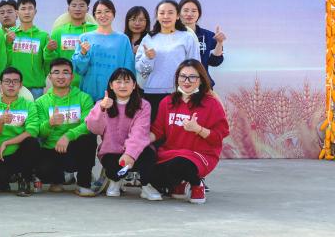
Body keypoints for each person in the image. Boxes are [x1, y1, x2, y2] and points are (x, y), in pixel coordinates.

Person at [150, 60, 230, 204]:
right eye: (183, 76)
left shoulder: (211, 104)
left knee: (180, 164)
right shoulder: (167, 102)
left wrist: (198, 129)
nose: (187, 81)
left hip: (199, 155)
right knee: (152, 175)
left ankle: (196, 184)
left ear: (201, 80)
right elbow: (157, 130)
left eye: (192, 77)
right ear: (177, 79)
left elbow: (218, 137)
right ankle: (180, 183)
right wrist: (139, 141)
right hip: (170, 153)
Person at [85, 68, 161, 200]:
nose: (122, 86)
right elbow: (94, 128)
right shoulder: (102, 103)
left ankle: (146, 185)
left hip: (136, 151)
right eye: (118, 82)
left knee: (149, 156)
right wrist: (101, 109)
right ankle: (115, 180)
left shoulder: (143, 105)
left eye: (127, 82)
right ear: (111, 85)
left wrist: (130, 154)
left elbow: (139, 133)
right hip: (112, 150)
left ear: (134, 85)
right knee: (112, 166)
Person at [34, 58, 97, 197]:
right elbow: (39, 133)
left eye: (65, 72)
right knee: (43, 170)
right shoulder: (40, 102)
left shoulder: (84, 98)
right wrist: (50, 123)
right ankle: (57, 181)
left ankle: (83, 184)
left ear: (72, 76)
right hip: (52, 148)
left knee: (89, 139)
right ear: (50, 76)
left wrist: (68, 136)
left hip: (74, 148)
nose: (61, 76)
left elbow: (88, 124)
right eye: (56, 72)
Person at [136, 0, 199, 121]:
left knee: (178, 130)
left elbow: (195, 66)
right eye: (162, 13)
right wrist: (148, 58)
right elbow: (142, 70)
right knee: (154, 130)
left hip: (180, 92)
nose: (166, 16)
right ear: (157, 16)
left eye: (170, 13)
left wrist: (193, 91)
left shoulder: (187, 37)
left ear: (177, 16)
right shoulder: (149, 38)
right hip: (152, 92)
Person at [0, 67, 40, 196]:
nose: (11, 85)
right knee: (1, 182)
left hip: (20, 152)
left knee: (32, 142)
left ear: (20, 85)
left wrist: (7, 143)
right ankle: (10, 176)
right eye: (7, 81)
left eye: (15, 81)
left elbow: (32, 131)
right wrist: (1, 121)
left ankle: (25, 180)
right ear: (0, 85)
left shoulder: (29, 105)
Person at [73, 0, 136, 103]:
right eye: (99, 12)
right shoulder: (85, 38)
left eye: (107, 11)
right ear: (94, 16)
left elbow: (129, 68)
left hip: (116, 93)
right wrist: (83, 53)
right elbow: (79, 70)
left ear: (113, 14)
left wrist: (126, 90)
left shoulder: (123, 39)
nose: (103, 15)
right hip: (89, 92)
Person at [7, 0, 54, 98]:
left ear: (35, 11)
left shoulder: (43, 36)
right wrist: (8, 43)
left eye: (30, 8)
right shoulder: (10, 35)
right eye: (23, 9)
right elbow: (5, 60)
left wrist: (49, 51)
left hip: (36, 88)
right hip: (13, 86)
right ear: (17, 12)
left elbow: (48, 64)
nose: (27, 12)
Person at [48, 0, 97, 88]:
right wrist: (48, 50)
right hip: (65, 84)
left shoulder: (95, 31)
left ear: (87, 9)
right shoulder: (58, 32)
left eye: (81, 5)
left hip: (89, 82)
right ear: (68, 9)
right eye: (74, 5)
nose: (77, 9)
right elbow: (53, 60)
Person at [178, 0, 226, 86]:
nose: (189, 14)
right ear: (178, 13)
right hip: (177, 85)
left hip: (203, 85)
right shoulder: (171, 35)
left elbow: (215, 62)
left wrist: (219, 43)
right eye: (185, 10)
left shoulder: (208, 35)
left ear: (199, 14)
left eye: (194, 11)